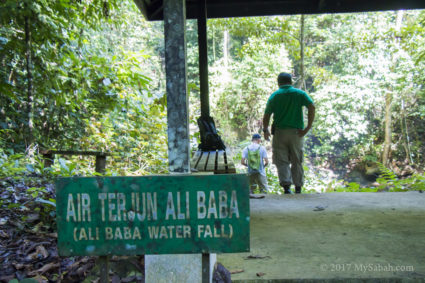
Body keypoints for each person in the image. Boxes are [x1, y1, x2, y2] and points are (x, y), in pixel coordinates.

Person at [262, 72, 315, 194]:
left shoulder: (274, 96)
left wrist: (265, 130)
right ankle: (298, 188)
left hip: (280, 133)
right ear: (291, 82)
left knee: (282, 160)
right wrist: (308, 127)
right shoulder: (299, 94)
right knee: (297, 160)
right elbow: (312, 106)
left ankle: (286, 188)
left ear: (278, 82)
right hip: (297, 133)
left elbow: (267, 115)